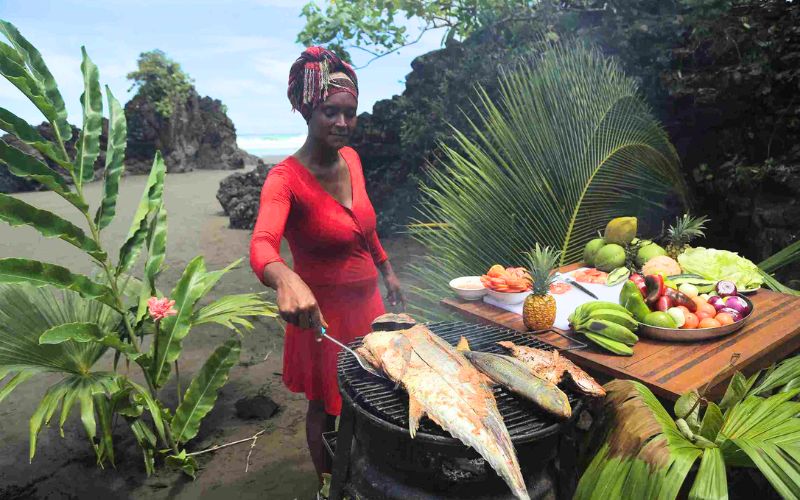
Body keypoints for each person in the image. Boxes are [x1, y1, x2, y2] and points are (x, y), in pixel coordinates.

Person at [249, 46, 405, 495]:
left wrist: (387, 269)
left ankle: (369, 471)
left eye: (350, 114)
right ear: (305, 109)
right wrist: (285, 277)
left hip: (368, 305)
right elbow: (262, 244)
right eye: (329, 112)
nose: (341, 123)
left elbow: (365, 226)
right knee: (326, 408)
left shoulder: (352, 159)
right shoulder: (284, 179)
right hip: (320, 315)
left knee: (375, 391)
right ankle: (327, 485)